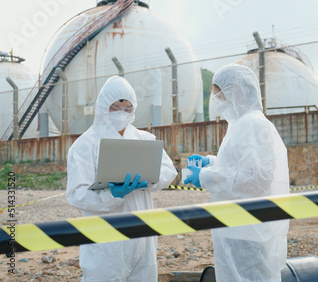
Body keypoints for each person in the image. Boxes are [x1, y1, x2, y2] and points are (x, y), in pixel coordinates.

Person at [66, 75, 177, 282]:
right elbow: (76, 195)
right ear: (103, 107)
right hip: (106, 242)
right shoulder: (85, 145)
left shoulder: (144, 139)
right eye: (115, 107)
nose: (121, 113)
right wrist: (111, 194)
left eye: (127, 109)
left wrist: (151, 179)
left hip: (142, 239)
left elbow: (169, 171)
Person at [184, 64, 290, 281]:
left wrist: (205, 176)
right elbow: (239, 165)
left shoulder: (251, 123)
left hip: (246, 233)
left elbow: (256, 178)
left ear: (238, 90)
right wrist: (210, 163)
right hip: (236, 229)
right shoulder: (240, 124)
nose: (219, 102)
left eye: (220, 96)